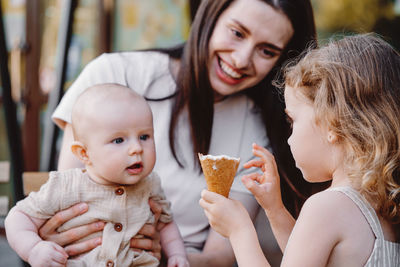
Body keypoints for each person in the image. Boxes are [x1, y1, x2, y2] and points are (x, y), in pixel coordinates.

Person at [39, 0, 324, 266]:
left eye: (266, 51)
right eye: (237, 33)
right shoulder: (114, 75)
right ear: (210, 16)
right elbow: (68, 197)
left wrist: (161, 255)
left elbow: (220, 254)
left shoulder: (255, 128)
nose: (240, 59)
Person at [200, 33, 400, 266]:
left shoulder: (325, 207)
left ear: (332, 122)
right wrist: (275, 209)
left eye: (292, 121)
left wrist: (239, 230)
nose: (289, 139)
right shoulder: (380, 209)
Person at [5, 84, 189, 267]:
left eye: (144, 136)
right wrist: (34, 248)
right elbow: (18, 217)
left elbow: (166, 225)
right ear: (84, 153)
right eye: (119, 140)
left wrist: (176, 255)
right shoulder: (66, 186)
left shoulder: (151, 185)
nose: (137, 148)